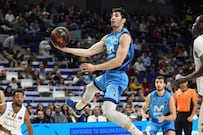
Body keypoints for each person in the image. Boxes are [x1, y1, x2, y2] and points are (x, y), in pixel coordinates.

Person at [53, 7, 145, 135]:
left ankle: (139, 134)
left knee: (108, 111)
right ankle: (78, 108)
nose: (113, 17)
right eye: (112, 15)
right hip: (108, 75)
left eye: (117, 15)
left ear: (123, 20)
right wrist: (65, 49)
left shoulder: (124, 37)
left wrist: (94, 67)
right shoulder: (107, 38)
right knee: (90, 88)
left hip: (118, 76)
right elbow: (89, 51)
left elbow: (118, 61)